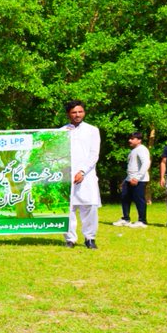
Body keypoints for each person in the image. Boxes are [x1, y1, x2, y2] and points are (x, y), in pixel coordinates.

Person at [64, 100, 101, 249]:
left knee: (90, 207)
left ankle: (90, 238)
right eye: (74, 112)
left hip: (87, 175)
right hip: (67, 175)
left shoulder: (92, 130)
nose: (77, 115)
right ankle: (70, 239)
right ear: (68, 114)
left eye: (80, 111)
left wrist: (83, 171)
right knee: (69, 208)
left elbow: (94, 154)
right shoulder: (62, 131)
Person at [114, 132, 150, 228]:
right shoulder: (133, 150)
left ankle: (142, 221)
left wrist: (137, 177)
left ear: (139, 140)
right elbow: (132, 167)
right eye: (129, 138)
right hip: (129, 179)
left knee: (139, 200)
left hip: (139, 180)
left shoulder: (142, 149)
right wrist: (126, 180)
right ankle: (126, 219)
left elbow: (146, 163)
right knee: (125, 198)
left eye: (132, 138)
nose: (129, 140)